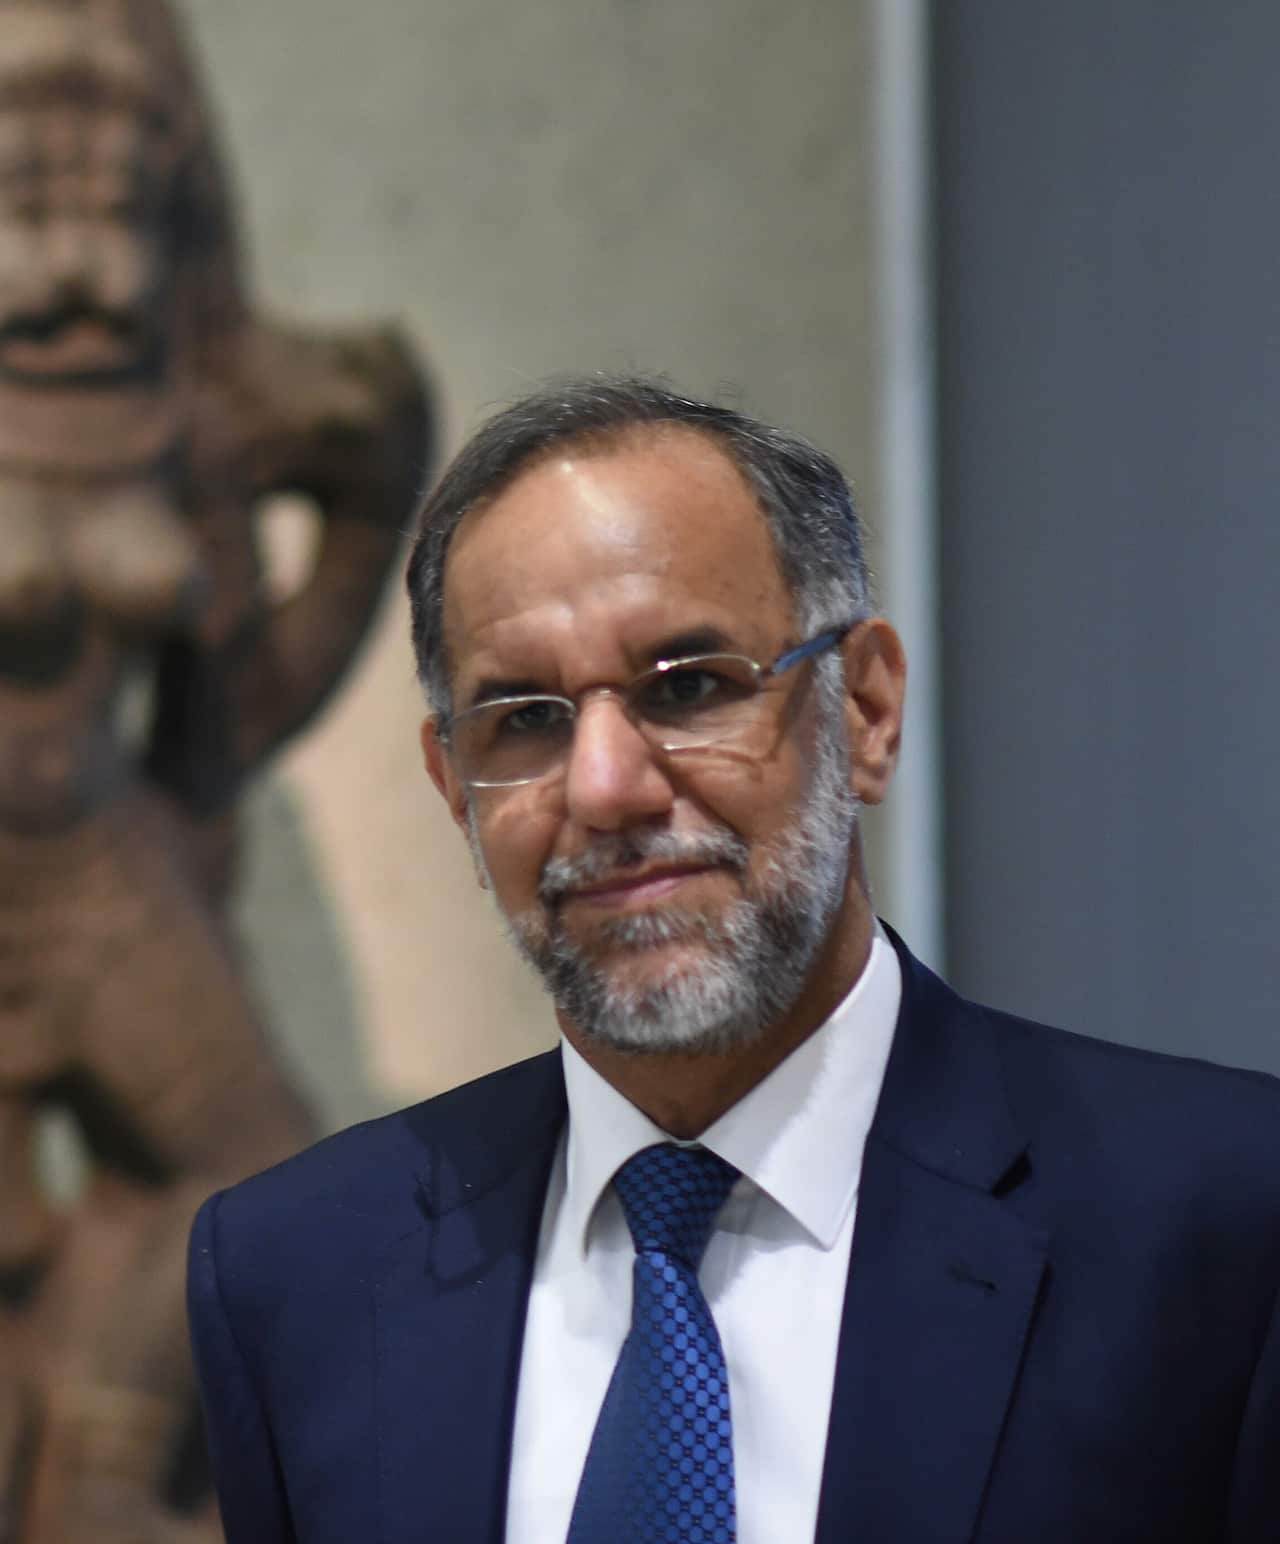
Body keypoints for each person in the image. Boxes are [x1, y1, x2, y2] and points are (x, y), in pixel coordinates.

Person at [187, 376, 1280, 1543]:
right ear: (452, 786)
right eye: (526, 716)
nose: (604, 787)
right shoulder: (297, 1271)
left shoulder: (1219, 1222)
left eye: (690, 686)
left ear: (861, 709)